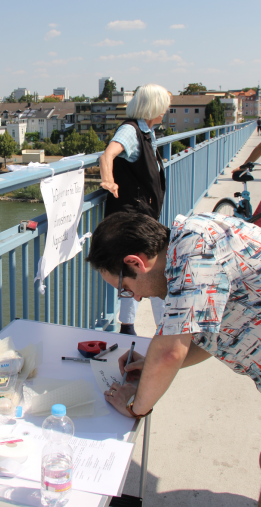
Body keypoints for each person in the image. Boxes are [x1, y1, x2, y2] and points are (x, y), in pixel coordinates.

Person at [86, 211, 261, 507]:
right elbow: (208, 339)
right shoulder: (190, 243)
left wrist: (136, 407)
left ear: (136, 262)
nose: (134, 297)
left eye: (124, 287)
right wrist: (148, 363)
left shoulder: (196, 253)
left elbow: (170, 353)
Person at [98, 83, 170, 335]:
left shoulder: (148, 132)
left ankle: (139, 325)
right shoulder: (131, 131)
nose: (166, 113)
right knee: (144, 270)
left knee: (142, 271)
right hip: (131, 217)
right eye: (164, 108)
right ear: (154, 108)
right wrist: (108, 180)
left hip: (144, 216)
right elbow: (107, 155)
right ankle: (146, 326)